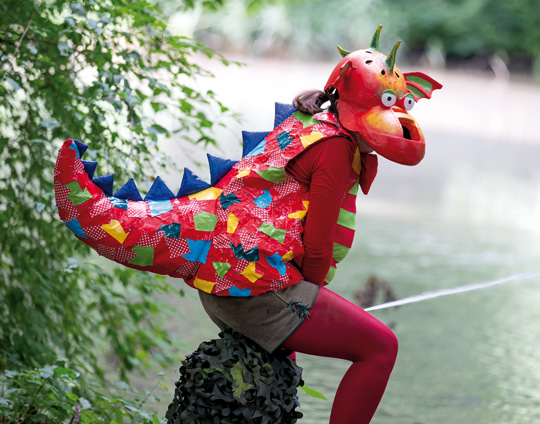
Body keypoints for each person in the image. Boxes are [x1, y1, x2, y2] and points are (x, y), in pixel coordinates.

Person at [53, 25, 441, 424]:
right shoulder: (336, 147)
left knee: (280, 374)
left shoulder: (311, 125)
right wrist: (307, 296)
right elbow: (319, 243)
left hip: (228, 287)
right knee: (381, 347)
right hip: (256, 291)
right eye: (387, 100)